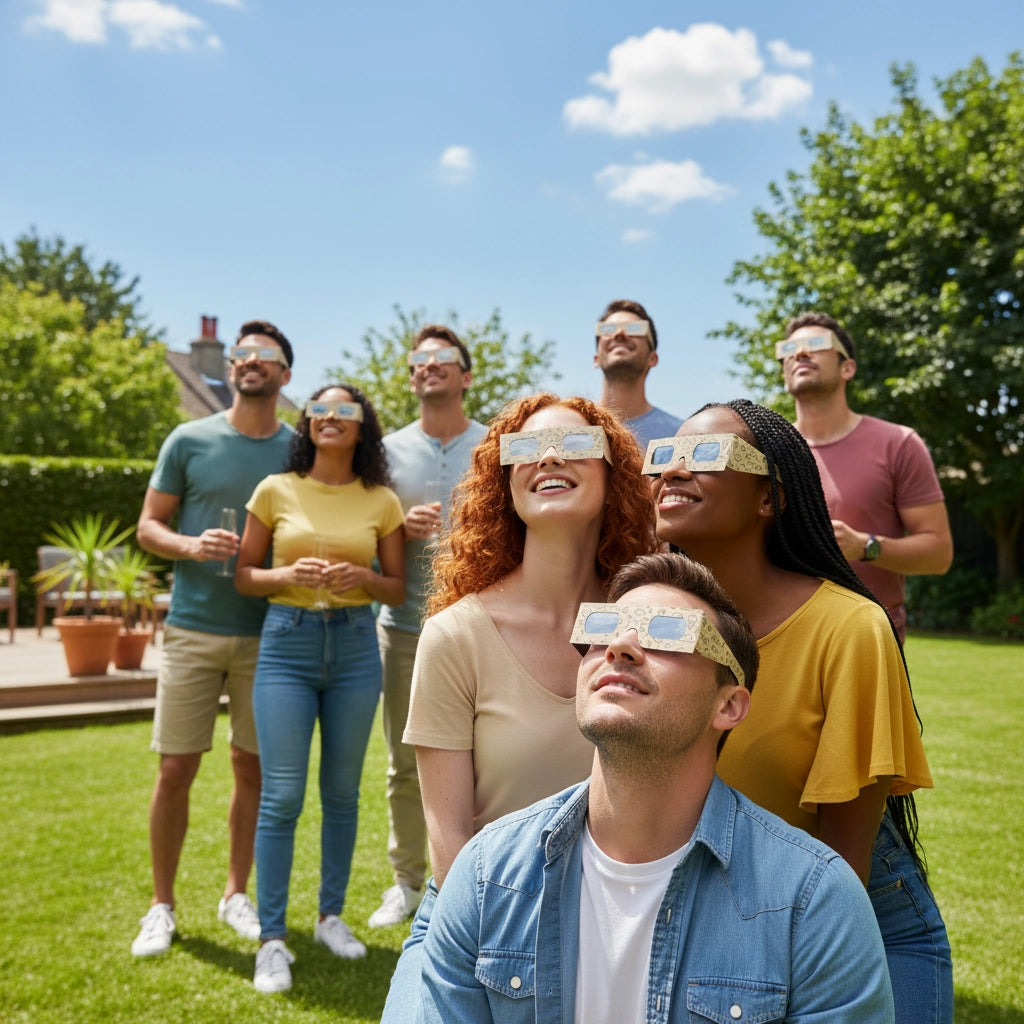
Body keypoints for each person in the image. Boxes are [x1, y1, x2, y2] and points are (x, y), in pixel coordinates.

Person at [415, 552, 895, 1023]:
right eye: (604, 627)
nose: (620, 647)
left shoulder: (814, 902)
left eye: (668, 632)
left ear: (728, 707)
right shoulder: (485, 876)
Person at [647, 399, 952, 1024]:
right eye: (664, 458)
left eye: (704, 454)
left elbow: (843, 858)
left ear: (770, 498)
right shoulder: (648, 627)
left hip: (857, 908)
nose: (672, 472)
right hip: (713, 897)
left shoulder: (849, 628)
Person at [380, 393, 656, 1021]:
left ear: (614, 472)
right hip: (476, 916)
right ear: (503, 480)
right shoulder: (454, 635)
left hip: (627, 918)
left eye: (576, 444)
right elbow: (450, 843)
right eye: (525, 447)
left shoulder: (648, 631)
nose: (549, 456)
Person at [234, 384, 405, 994]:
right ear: (306, 423)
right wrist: (287, 573)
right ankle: (273, 938)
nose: (331, 418)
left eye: (346, 411)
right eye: (321, 410)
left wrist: (363, 575)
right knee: (281, 796)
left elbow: (394, 587)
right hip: (287, 643)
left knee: (341, 792)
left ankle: (331, 915)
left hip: (357, 647)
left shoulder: (381, 499)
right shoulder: (275, 490)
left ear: (363, 427)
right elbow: (246, 576)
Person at [132, 319, 294, 957]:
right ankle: (161, 906)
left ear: (284, 374)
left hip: (267, 635)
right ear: (230, 369)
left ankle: (235, 894)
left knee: (250, 769)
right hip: (193, 630)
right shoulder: (188, 439)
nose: (250, 360)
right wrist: (189, 545)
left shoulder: (299, 451)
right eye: (241, 354)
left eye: (265, 355)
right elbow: (148, 527)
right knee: (175, 768)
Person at [370, 324, 487, 929]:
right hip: (404, 631)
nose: (428, 366)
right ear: (411, 377)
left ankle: (484, 877)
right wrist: (392, 533)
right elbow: (359, 542)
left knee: (489, 760)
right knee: (403, 762)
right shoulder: (384, 454)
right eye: (419, 361)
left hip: (482, 630)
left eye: (442, 359)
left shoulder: (496, 444)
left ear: (466, 376)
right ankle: (407, 882)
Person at [779, 311, 953, 641]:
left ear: (848, 368)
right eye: (789, 348)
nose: (800, 353)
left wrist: (865, 547)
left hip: (871, 641)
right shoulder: (769, 451)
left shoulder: (899, 444)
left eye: (816, 344)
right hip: (786, 639)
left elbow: (939, 553)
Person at [594, 298, 682, 448]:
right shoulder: (571, 430)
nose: (619, 333)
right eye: (608, 329)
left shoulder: (680, 435)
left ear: (652, 358)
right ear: (596, 359)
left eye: (634, 329)